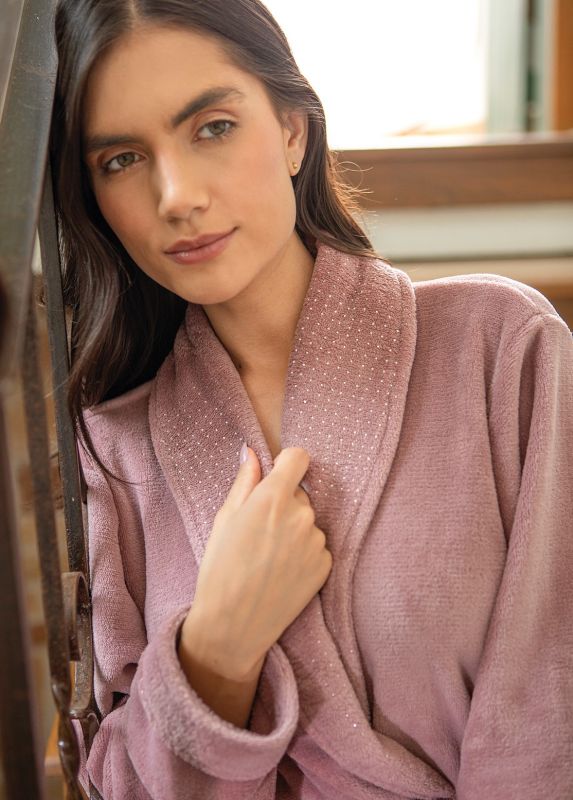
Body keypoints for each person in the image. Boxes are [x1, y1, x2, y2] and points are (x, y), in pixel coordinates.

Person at [50, 1, 573, 798]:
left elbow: (549, 714)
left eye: (212, 127)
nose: (176, 195)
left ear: (292, 129)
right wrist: (215, 651)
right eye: (121, 159)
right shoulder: (111, 449)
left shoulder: (502, 348)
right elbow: (117, 783)